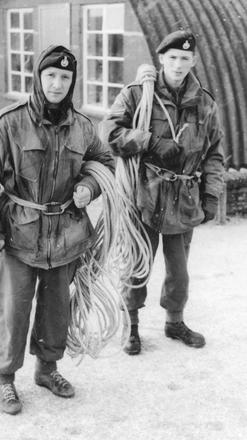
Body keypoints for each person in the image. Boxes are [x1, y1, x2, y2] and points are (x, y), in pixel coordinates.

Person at [0, 45, 114, 414]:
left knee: (56, 311)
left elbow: (103, 160)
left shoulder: (83, 125)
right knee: (12, 310)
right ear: (38, 77)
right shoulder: (8, 122)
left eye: (65, 77)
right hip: (17, 235)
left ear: (72, 82)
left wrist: (89, 185)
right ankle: (5, 378)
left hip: (66, 233)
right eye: (50, 75)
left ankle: (47, 369)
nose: (57, 83)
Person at [100, 30, 224, 355]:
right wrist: (150, 142)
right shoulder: (139, 95)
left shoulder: (205, 103)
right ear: (161, 59)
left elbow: (214, 153)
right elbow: (109, 131)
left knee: (179, 272)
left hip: (183, 198)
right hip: (143, 194)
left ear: (193, 60)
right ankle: (132, 327)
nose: (179, 64)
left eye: (185, 58)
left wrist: (210, 195)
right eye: (173, 58)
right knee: (137, 265)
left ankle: (174, 321)